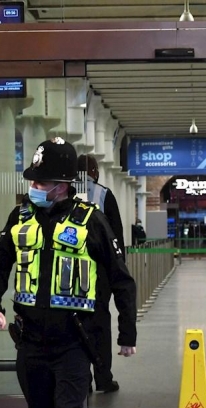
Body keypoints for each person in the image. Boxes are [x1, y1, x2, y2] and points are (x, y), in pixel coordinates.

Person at [0, 137, 137, 408]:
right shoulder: (20, 217)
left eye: (42, 181)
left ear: (62, 185)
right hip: (30, 344)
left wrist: (126, 333)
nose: (34, 186)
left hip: (74, 344)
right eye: (33, 180)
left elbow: (121, 279)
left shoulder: (92, 221)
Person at [77, 154, 125, 393]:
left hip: (70, 274)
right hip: (99, 274)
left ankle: (81, 380)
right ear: (95, 172)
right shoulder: (104, 195)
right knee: (100, 325)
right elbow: (116, 238)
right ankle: (103, 378)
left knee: (76, 327)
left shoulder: (64, 193)